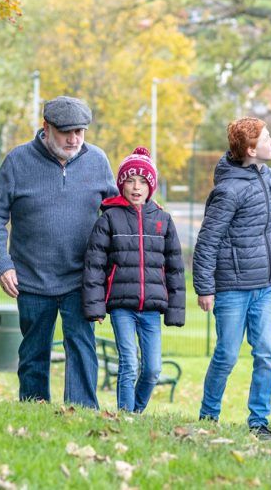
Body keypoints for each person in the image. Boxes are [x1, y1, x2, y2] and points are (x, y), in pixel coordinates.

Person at [0, 96, 117, 409]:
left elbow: (115, 212)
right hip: (31, 278)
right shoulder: (17, 161)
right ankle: (34, 411)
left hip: (81, 279)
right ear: (46, 128)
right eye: (66, 132)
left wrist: (146, 211)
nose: (74, 139)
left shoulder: (97, 161)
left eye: (80, 132)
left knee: (83, 350)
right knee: (33, 353)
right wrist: (2, 265)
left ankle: (81, 413)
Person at [192, 117, 271, 438]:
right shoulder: (228, 191)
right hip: (232, 289)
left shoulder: (266, 176)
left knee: (267, 353)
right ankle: (208, 416)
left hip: (267, 286)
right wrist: (204, 286)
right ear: (251, 149)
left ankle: (259, 422)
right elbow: (207, 240)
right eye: (267, 138)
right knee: (227, 354)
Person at [82, 147, 186, 413]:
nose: (136, 187)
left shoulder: (163, 220)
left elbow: (174, 268)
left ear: (151, 186)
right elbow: (95, 265)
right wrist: (95, 307)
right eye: (130, 180)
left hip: (151, 309)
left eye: (142, 181)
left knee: (152, 369)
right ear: (121, 184)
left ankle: (136, 414)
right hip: (121, 307)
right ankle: (125, 416)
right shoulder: (109, 219)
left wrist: (174, 309)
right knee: (128, 362)